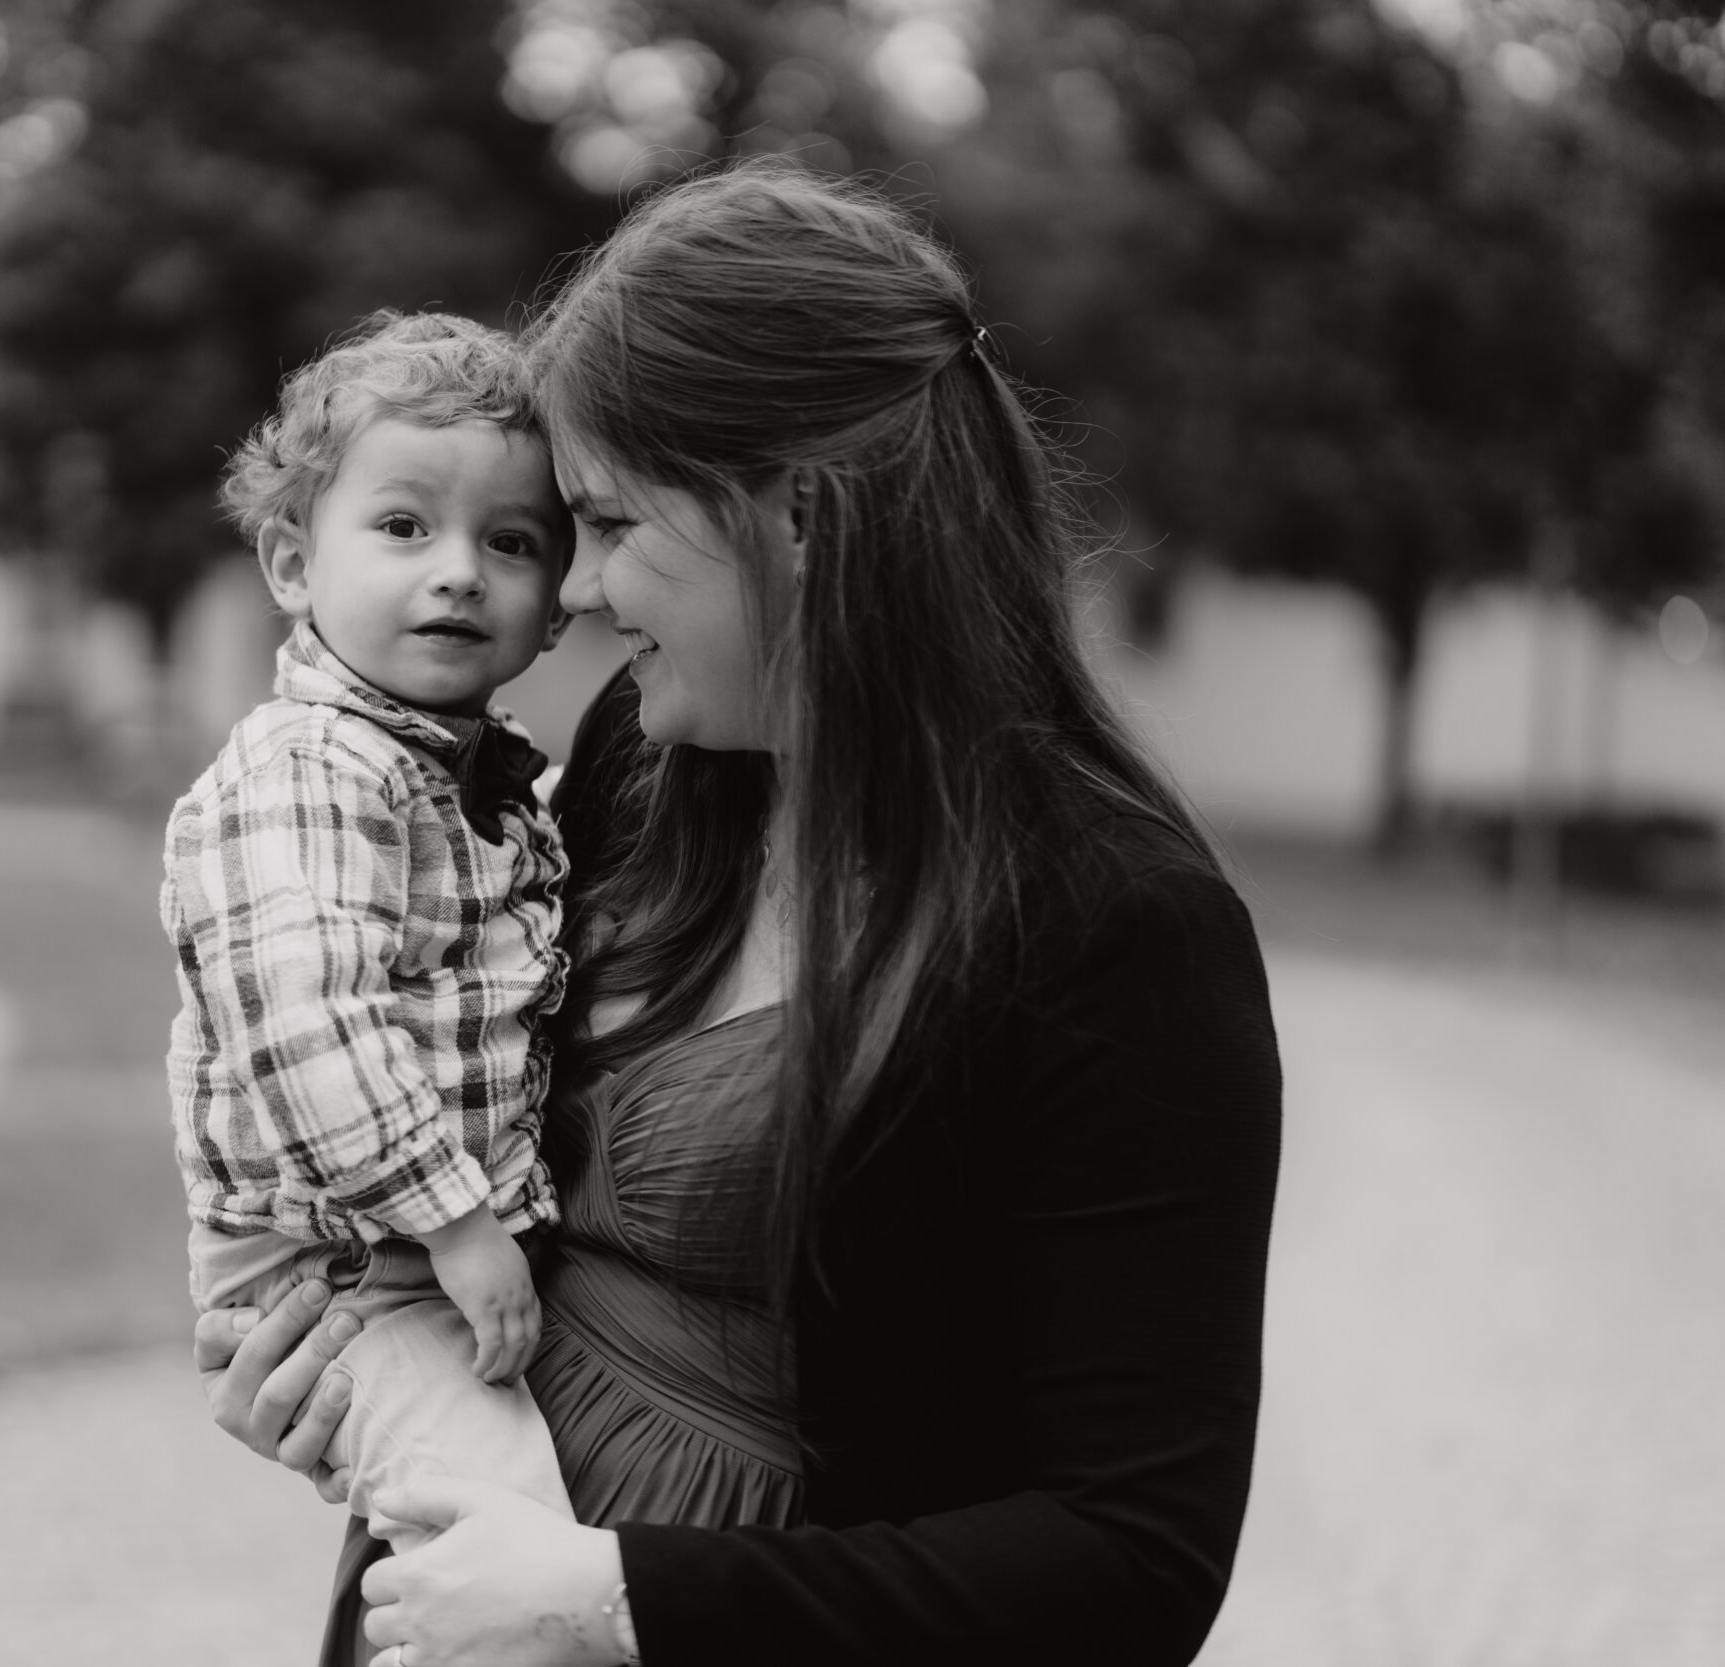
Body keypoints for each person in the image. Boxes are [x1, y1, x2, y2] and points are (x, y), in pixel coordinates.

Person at [196, 163, 1283, 1667]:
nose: (567, 589)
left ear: (807, 518)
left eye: (611, 523)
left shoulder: (1118, 931)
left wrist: (616, 1601)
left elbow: (1131, 1558)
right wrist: (329, 1365)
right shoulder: (643, 769)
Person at [162, 311, 580, 1555]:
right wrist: (457, 1222)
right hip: (349, 1260)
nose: (457, 569)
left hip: (410, 1240)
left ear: (557, 605)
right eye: (403, 526)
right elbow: (305, 1024)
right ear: (293, 565)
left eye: (510, 542)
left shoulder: (469, 781)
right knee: (498, 1540)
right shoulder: (307, 770)